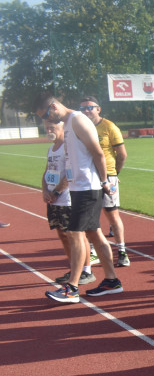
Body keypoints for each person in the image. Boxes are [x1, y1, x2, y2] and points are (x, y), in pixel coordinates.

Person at [34, 93, 122, 303]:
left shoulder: (78, 120)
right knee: (95, 234)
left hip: (89, 187)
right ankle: (111, 280)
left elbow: (98, 153)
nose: (47, 120)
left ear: (54, 106)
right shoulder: (67, 124)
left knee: (74, 233)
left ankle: (72, 288)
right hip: (78, 187)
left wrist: (104, 181)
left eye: (46, 114)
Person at [78, 95, 129, 267]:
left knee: (112, 214)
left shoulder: (109, 127)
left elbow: (122, 154)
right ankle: (93, 252)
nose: (86, 111)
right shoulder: (80, 127)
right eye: (83, 108)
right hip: (87, 177)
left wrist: (115, 174)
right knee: (90, 216)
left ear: (98, 109)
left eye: (90, 107)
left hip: (107, 176)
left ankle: (122, 251)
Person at [41, 118, 93, 286]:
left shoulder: (67, 147)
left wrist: (56, 191)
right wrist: (45, 190)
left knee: (77, 235)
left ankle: (86, 270)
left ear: (61, 127)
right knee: (62, 235)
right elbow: (47, 171)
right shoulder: (51, 147)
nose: (49, 130)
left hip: (67, 198)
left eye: (52, 127)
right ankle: (74, 268)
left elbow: (69, 172)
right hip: (54, 200)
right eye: (47, 127)